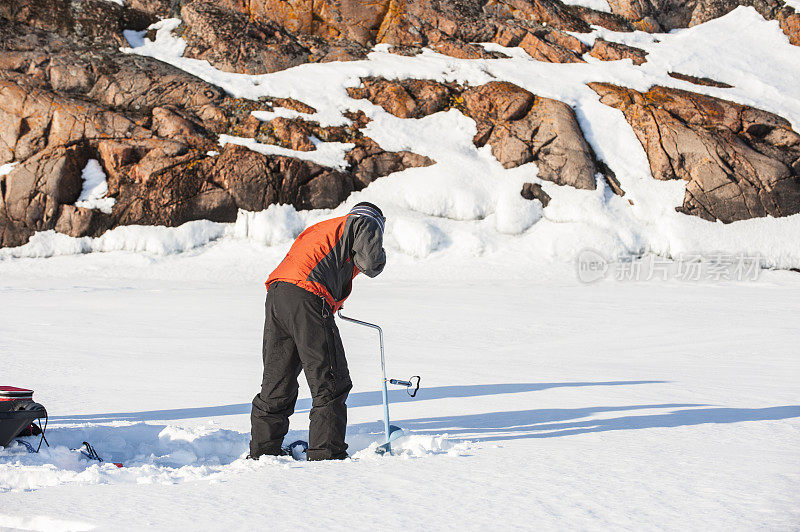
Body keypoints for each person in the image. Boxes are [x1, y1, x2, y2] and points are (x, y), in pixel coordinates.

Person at [249, 202, 387, 461]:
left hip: (278, 297)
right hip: (307, 298)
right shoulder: (364, 221)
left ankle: (263, 453)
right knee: (331, 382)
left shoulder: (323, 228)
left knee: (278, 383)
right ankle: (327, 455)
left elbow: (318, 262)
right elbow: (371, 263)